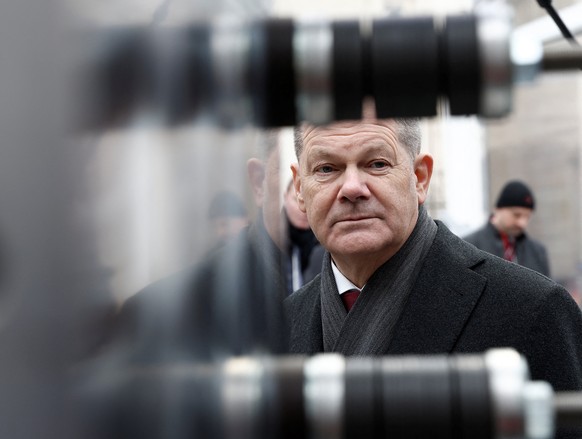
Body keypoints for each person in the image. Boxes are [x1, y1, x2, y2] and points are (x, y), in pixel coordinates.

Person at [285, 111, 582, 412]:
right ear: (300, 189)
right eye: (326, 169)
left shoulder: (533, 310)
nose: (351, 188)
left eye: (377, 164)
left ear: (420, 178)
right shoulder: (283, 324)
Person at [463, 180, 551, 277]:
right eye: (517, 215)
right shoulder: (469, 246)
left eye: (527, 217)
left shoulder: (538, 252)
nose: (522, 223)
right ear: (498, 209)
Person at [282, 179, 324, 294]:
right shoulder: (272, 240)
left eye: (309, 202)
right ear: (285, 197)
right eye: (296, 200)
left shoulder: (327, 244)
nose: (302, 209)